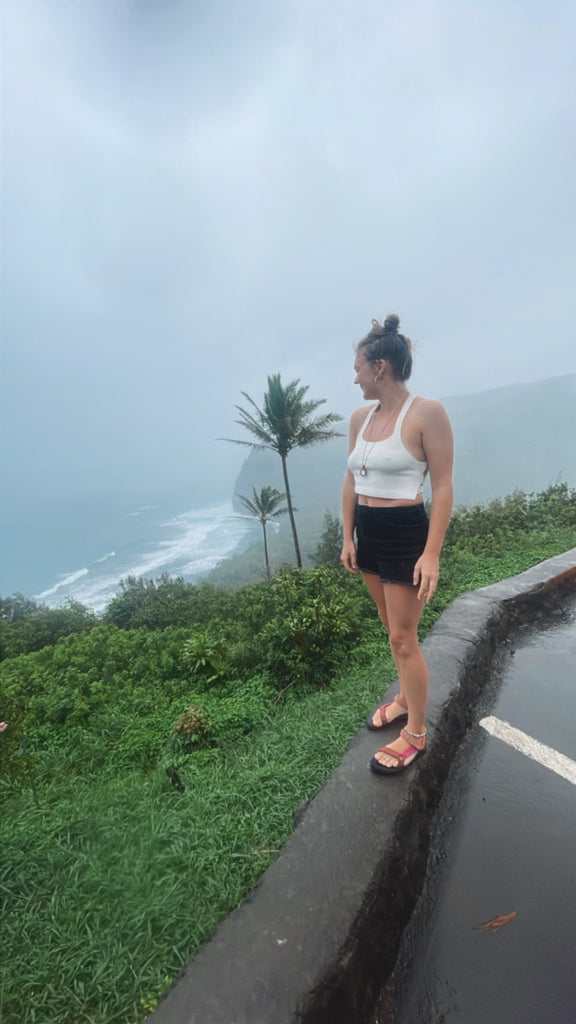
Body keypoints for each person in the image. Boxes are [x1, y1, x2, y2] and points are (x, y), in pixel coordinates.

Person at [341, 314, 454, 775]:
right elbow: (351, 477)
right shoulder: (359, 418)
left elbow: (443, 487)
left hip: (405, 531)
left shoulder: (427, 413)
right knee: (393, 630)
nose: (355, 377)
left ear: (380, 367)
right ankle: (405, 699)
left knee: (404, 638)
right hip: (368, 531)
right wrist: (346, 533)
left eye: (358, 369)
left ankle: (417, 732)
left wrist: (431, 554)